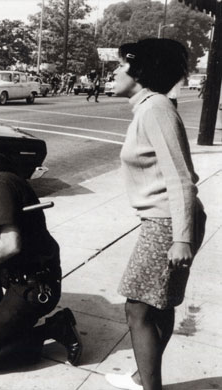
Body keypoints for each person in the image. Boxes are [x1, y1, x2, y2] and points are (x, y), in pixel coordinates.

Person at [105, 38, 206, 390]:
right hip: (165, 220)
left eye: (121, 65)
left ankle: (149, 387)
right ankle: (142, 378)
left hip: (167, 223)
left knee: (137, 308)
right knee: (157, 305)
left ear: (140, 71)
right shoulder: (150, 107)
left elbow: (181, 179)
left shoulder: (156, 108)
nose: (115, 71)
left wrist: (181, 237)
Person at [0, 139, 83, 373]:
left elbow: (10, 244)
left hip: (34, 285)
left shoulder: (0, 185)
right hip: (26, 271)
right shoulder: (3, 181)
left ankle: (55, 328)